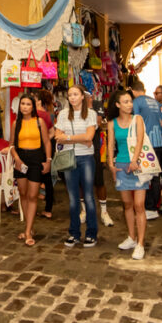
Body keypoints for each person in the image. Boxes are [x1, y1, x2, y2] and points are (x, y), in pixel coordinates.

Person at [107, 89, 150, 260]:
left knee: (139, 205)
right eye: (125, 102)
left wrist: (135, 159)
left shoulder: (137, 119)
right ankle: (131, 237)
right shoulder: (112, 123)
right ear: (117, 104)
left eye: (130, 101)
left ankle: (140, 243)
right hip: (121, 165)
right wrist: (110, 164)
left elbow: (140, 140)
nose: (129, 104)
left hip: (137, 165)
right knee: (127, 204)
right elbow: (110, 144)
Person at [55, 84, 99, 247]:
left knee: (88, 196)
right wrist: (75, 139)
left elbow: (89, 136)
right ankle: (74, 233)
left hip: (86, 158)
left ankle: (91, 233)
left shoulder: (91, 114)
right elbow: (57, 135)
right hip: (69, 158)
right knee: (73, 198)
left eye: (75, 94)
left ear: (82, 96)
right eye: (70, 95)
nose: (72, 97)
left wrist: (67, 138)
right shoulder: (63, 114)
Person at [11, 94, 52, 246]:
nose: (25, 107)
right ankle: (30, 227)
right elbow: (11, 145)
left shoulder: (39, 122)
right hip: (21, 158)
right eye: (23, 104)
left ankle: (27, 231)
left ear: (33, 107)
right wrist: (17, 159)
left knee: (33, 195)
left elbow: (47, 143)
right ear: (19, 106)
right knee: (23, 193)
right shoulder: (16, 123)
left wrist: (48, 161)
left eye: (28, 104)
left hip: (36, 158)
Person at [130, 79, 162, 219]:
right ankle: (154, 207)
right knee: (156, 176)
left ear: (133, 91)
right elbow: (160, 121)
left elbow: (135, 120)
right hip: (158, 141)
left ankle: (147, 207)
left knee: (144, 175)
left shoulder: (137, 102)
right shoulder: (154, 102)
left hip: (145, 142)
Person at [92, 106, 116, 227]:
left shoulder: (96, 105)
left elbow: (98, 123)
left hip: (96, 149)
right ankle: (84, 210)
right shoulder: (72, 109)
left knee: (99, 182)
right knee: (80, 183)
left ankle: (104, 211)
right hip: (79, 150)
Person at [36, 90, 57, 220]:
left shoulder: (35, 115)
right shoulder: (49, 114)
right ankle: (48, 209)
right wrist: (45, 143)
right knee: (47, 178)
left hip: (36, 150)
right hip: (46, 148)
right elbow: (52, 133)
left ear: (38, 100)